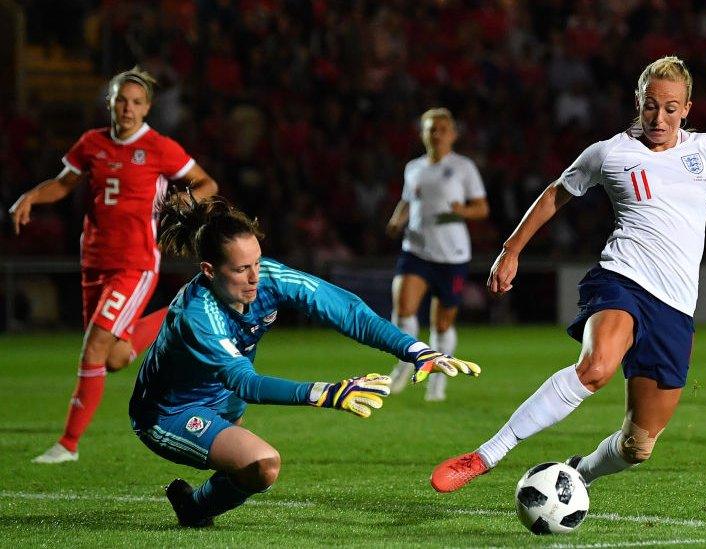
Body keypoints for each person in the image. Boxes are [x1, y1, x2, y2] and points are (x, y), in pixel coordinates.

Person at [430, 55, 706, 492]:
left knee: (637, 446)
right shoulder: (611, 152)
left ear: (688, 109)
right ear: (638, 102)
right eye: (650, 106)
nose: (659, 117)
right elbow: (555, 194)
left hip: (675, 306)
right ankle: (488, 453)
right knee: (597, 367)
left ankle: (578, 475)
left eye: (671, 108)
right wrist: (512, 249)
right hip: (622, 279)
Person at [130, 195, 481, 528]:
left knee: (244, 467)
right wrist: (324, 393)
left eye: (257, 262)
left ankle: (194, 504)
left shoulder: (267, 277)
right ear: (209, 270)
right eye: (241, 269)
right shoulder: (197, 315)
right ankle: (196, 506)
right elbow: (246, 382)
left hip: (223, 395)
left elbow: (347, 311)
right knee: (262, 464)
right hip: (169, 412)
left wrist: (415, 349)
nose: (255, 277)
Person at [8, 67, 220, 464]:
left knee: (94, 346)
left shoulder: (159, 147)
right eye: (121, 99)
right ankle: (180, 311)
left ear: (147, 108)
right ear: (110, 102)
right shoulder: (92, 143)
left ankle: (67, 444)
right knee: (115, 358)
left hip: (135, 263)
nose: (127, 108)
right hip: (94, 261)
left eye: (136, 102)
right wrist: (31, 198)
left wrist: (184, 201)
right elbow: (64, 183)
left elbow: (206, 183)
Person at [385, 108, 489, 401]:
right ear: (423, 134)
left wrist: (462, 211)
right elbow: (408, 201)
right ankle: (406, 363)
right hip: (416, 250)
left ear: (453, 134)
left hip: (452, 254)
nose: (437, 133)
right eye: (431, 128)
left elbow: (481, 208)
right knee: (402, 310)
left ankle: (438, 380)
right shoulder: (413, 167)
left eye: (443, 128)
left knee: (442, 323)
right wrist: (397, 220)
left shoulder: (463, 167)